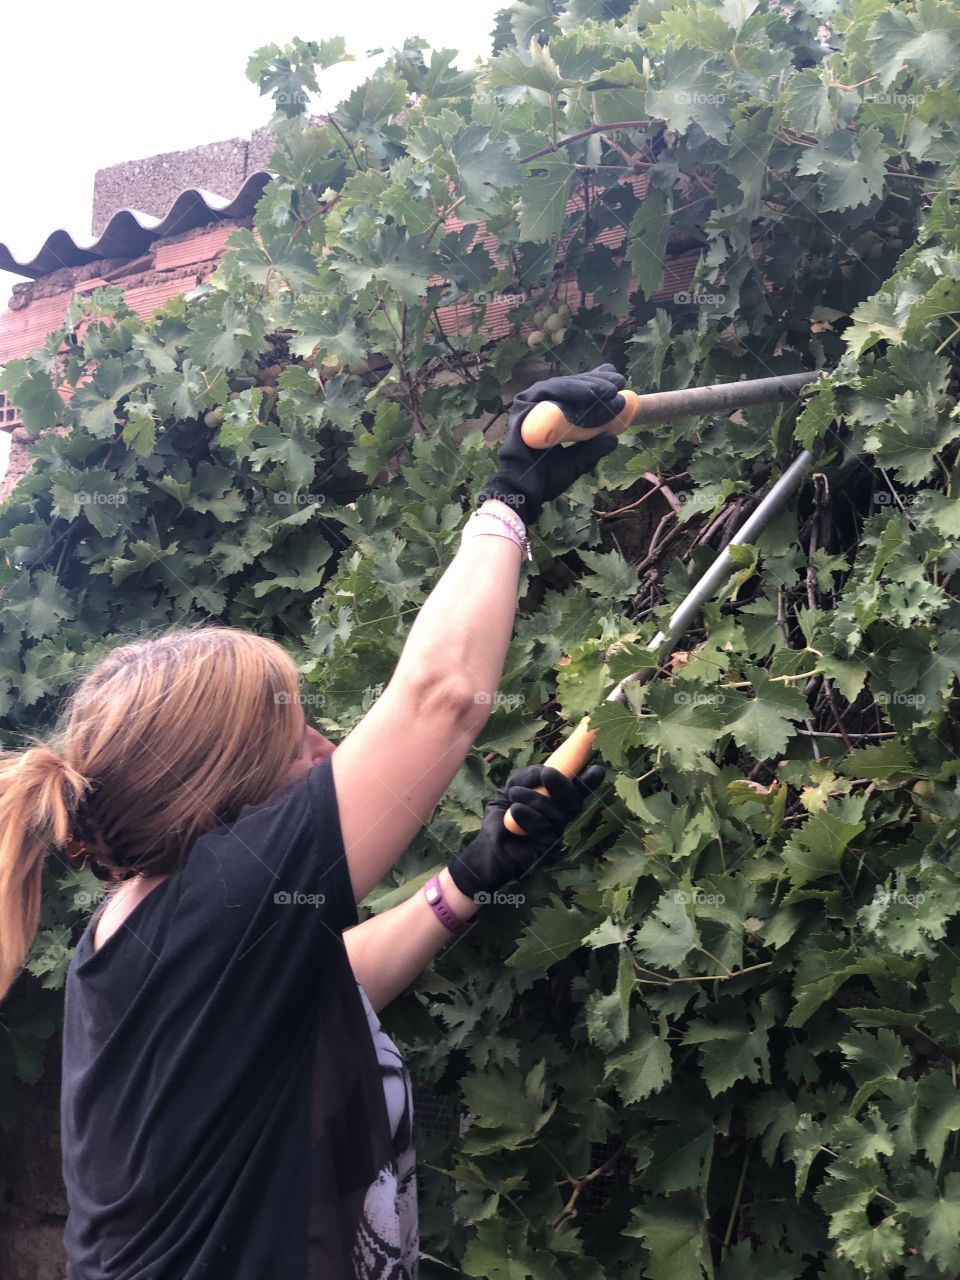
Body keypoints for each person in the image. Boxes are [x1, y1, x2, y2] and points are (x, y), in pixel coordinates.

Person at [0, 363, 625, 1279]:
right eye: (299, 743)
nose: (331, 755)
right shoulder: (211, 903)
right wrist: (508, 499)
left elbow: (328, 982)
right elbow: (444, 698)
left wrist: (472, 876)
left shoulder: (159, 929)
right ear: (216, 787)